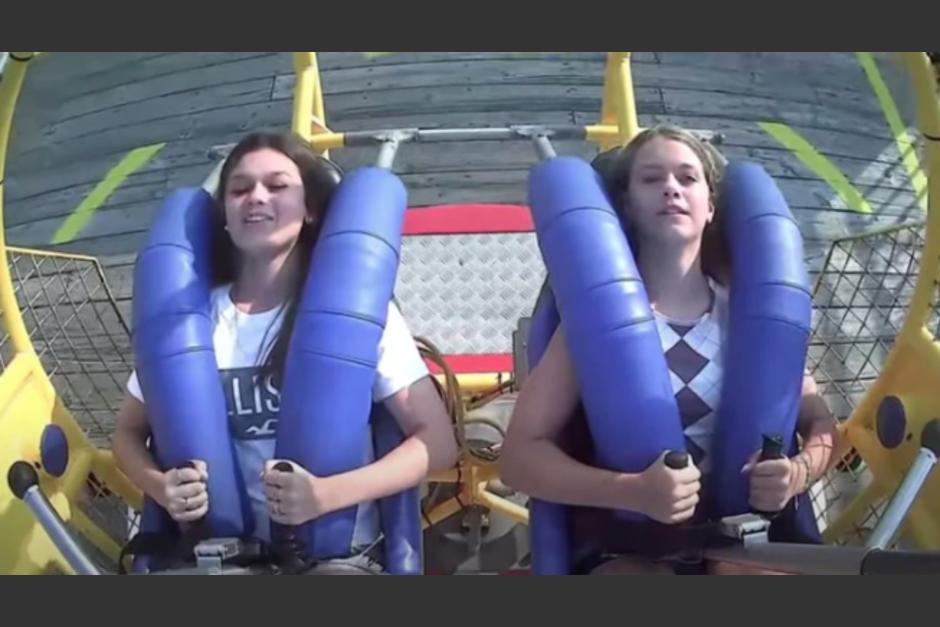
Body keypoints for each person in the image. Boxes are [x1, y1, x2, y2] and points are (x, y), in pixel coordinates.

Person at [112, 131, 459, 573]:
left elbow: (438, 441)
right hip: (219, 560)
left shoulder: (362, 317)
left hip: (336, 561)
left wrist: (326, 496)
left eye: (276, 186)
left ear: (309, 209)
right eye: (239, 190)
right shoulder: (187, 323)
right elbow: (125, 435)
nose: (256, 197)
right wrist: (160, 487)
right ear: (225, 216)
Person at [499, 124, 839, 574]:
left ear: (710, 206)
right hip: (634, 547)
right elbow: (519, 459)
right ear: (627, 204)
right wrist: (633, 490)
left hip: (744, 542)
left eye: (687, 178)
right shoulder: (595, 327)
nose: (671, 189)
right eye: (651, 178)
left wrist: (800, 471)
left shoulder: (750, 321)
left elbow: (820, 421)